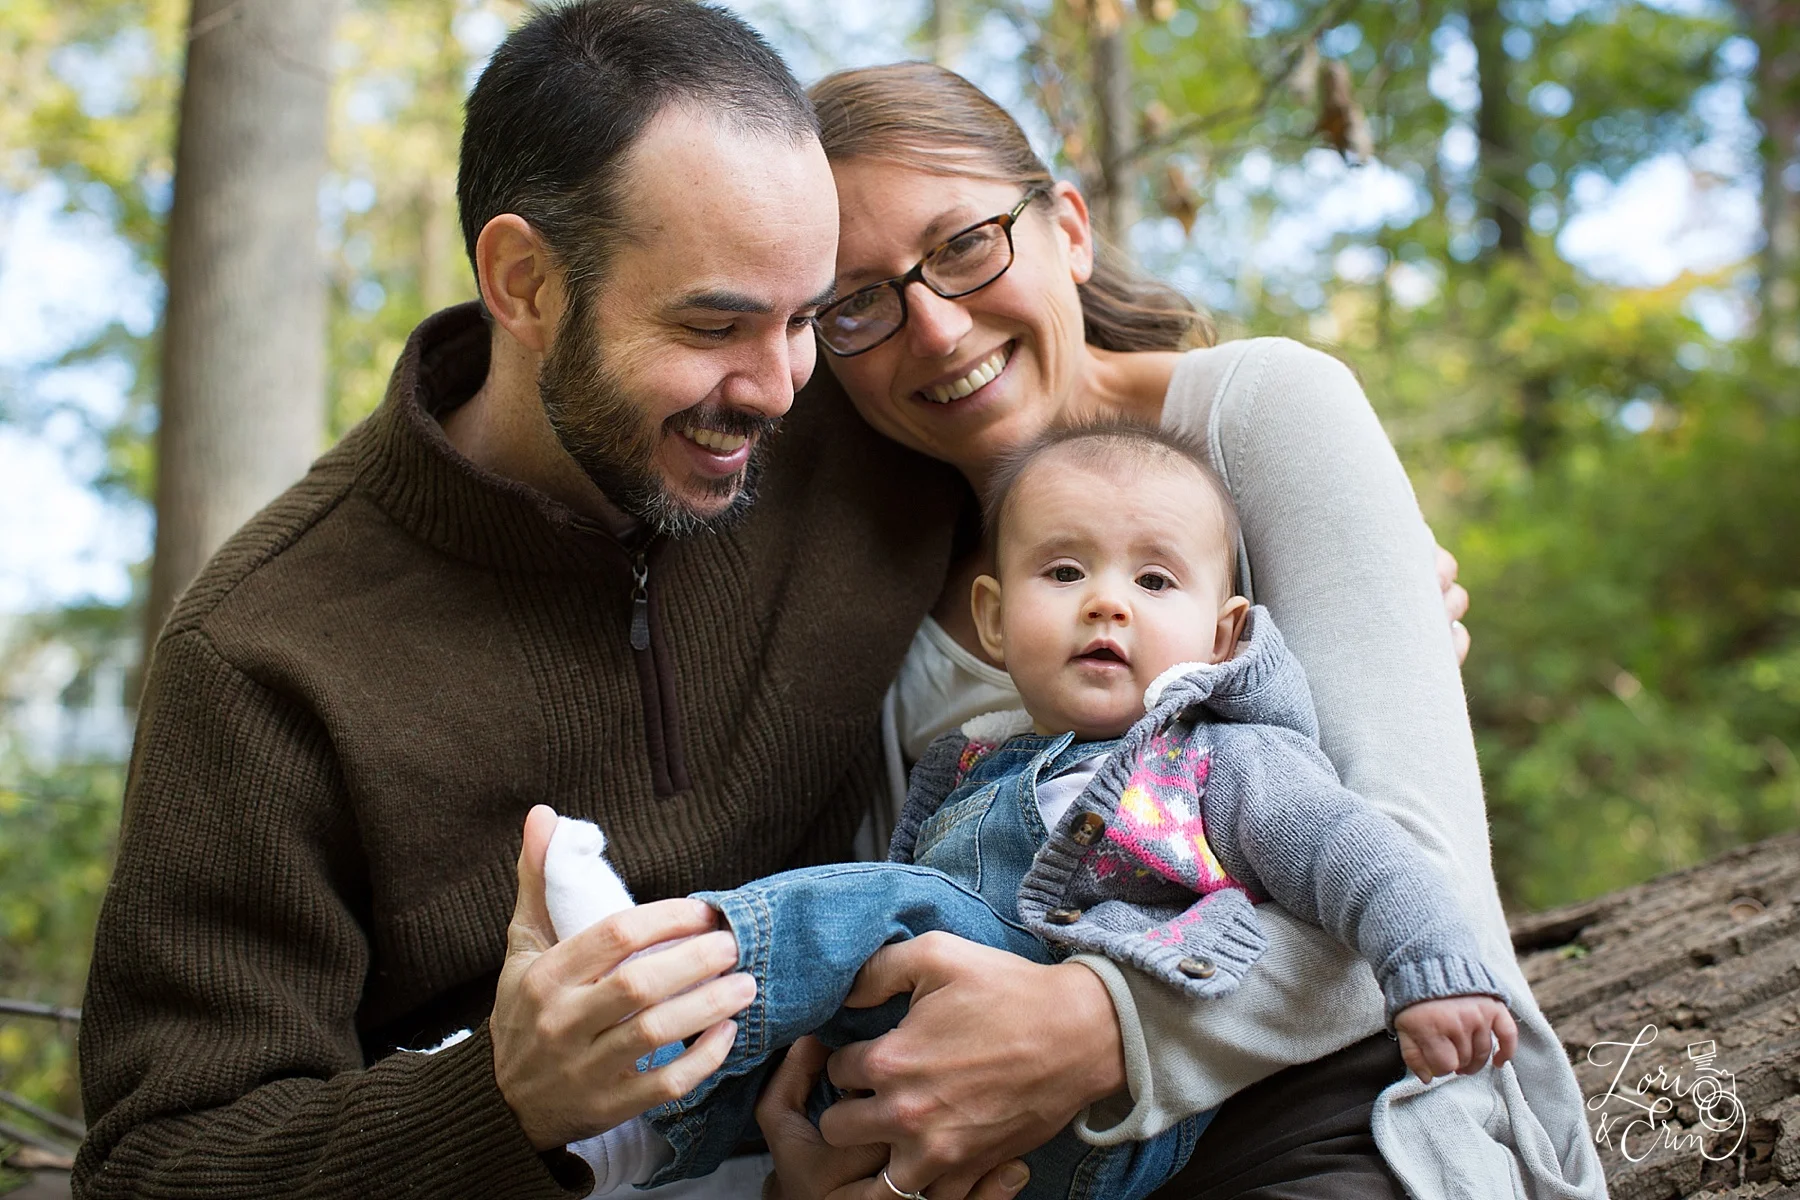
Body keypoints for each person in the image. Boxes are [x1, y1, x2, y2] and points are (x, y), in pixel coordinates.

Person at [71, 6, 1024, 1198]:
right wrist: (502, 1101)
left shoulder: (866, 417)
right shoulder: (268, 652)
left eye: (805, 316)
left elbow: (1121, 417)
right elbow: (156, 1165)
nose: (781, 387)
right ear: (523, 282)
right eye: (714, 323)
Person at [744, 62, 1606, 1200]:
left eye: (965, 246)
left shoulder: (1262, 413)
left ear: (1071, 230)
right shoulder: (877, 582)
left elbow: (1421, 863)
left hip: (1341, 1113)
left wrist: (1100, 1027)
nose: (938, 328)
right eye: (860, 302)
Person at [541, 421, 1519, 1200]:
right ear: (998, 622)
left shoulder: (1224, 761)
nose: (1107, 604)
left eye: (1154, 578)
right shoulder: (969, 764)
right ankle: (638, 1131)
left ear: (1222, 637)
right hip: (931, 1103)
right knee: (814, 1030)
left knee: (886, 911)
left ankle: (658, 976)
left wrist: (1432, 974)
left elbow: (1361, 855)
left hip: (1106, 1114)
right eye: (1064, 572)